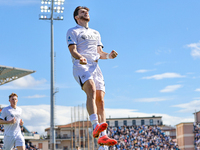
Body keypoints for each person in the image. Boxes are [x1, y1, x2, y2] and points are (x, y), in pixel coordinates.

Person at [66, 6, 118, 146]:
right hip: (81, 65)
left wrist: (109, 56)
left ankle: (104, 135)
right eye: (82, 12)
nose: (86, 13)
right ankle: (95, 125)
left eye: (87, 11)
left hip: (95, 67)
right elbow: (73, 50)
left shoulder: (96, 33)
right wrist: (80, 57)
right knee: (92, 89)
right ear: (76, 17)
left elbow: (100, 53)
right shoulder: (72, 31)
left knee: (100, 100)